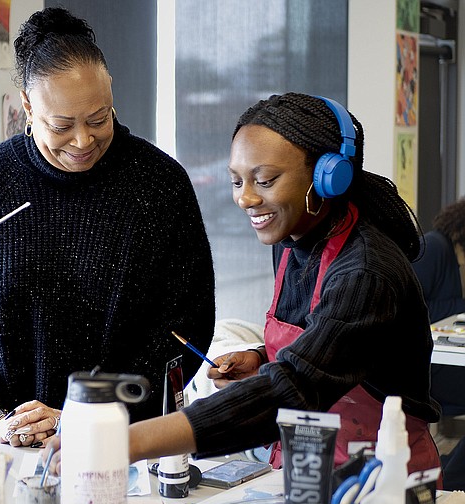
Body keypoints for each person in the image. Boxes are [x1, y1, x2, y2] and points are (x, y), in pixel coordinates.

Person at [47, 92, 442, 482]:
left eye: (265, 180)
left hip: (380, 482)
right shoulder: (292, 242)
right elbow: (324, 339)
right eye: (237, 181)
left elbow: (294, 388)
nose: (246, 198)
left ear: (328, 177)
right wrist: (261, 357)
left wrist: (128, 441)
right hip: (304, 471)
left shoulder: (367, 273)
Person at [0, 7, 215, 449]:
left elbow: (185, 325)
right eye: (62, 125)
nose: (83, 140)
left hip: (124, 444)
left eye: (99, 119)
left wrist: (87, 412)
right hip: (4, 448)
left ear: (111, 90)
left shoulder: (159, 184)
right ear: (26, 106)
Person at [411, 198, 465, 490]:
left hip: (444, 361)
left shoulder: (455, 258)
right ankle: (453, 478)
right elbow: (409, 310)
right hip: (425, 368)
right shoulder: (435, 248)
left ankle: (453, 474)